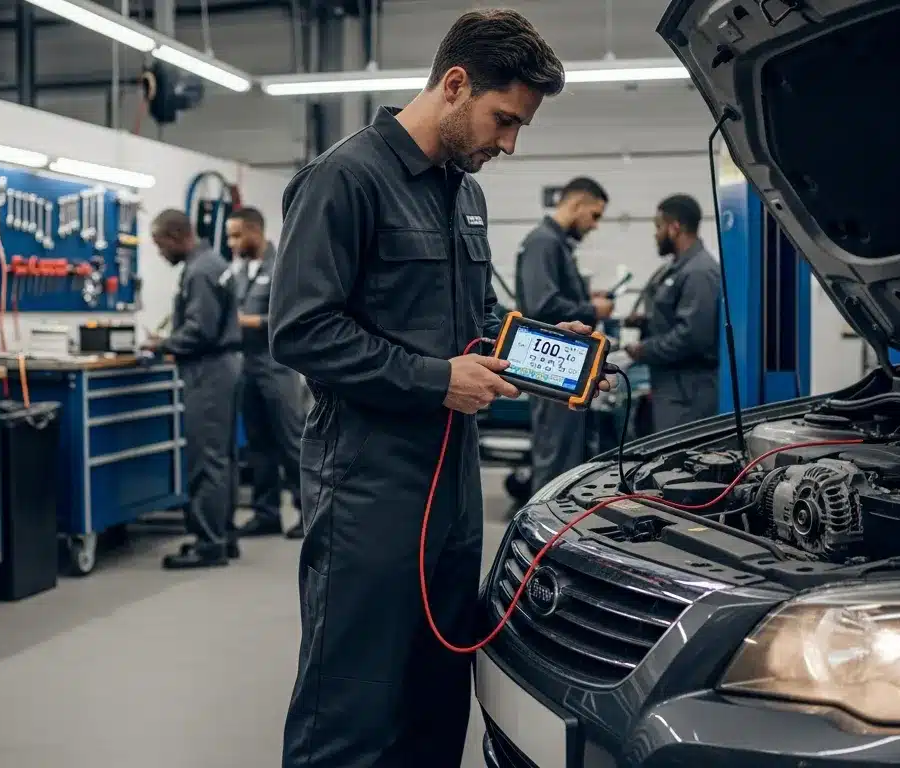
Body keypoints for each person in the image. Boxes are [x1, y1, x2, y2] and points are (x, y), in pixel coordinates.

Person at [268, 10, 606, 767]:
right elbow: (300, 330)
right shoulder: (344, 179)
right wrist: (435, 380)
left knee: (436, 707)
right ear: (455, 85)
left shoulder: (465, 193)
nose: (510, 143)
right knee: (351, 718)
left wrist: (544, 351)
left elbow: (478, 326)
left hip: (452, 495)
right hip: (369, 497)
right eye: (504, 119)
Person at [146, 209, 243, 569]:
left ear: (175, 236)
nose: (160, 253)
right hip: (225, 366)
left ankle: (209, 544)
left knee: (207, 459)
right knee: (224, 458)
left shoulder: (200, 270)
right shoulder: (213, 262)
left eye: (159, 245)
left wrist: (161, 345)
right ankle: (224, 536)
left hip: (210, 370)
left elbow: (200, 329)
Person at [514, 176, 614, 492]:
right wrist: (592, 310)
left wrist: (585, 300)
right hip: (551, 371)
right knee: (555, 464)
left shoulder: (557, 244)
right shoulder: (543, 242)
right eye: (594, 215)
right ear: (576, 204)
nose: (595, 225)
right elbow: (541, 304)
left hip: (568, 371)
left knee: (570, 463)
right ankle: (542, 539)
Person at [225, 207, 306, 540]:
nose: (232, 243)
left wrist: (252, 322)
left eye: (237, 235)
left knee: (292, 443)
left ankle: (309, 513)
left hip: (278, 367)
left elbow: (297, 316)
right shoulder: (241, 270)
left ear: (255, 232)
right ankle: (266, 513)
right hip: (248, 366)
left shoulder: (283, 264)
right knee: (258, 445)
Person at [626, 194, 722, 433]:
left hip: (688, 394)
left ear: (675, 227)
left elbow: (693, 336)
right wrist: (644, 322)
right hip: (670, 386)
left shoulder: (699, 272)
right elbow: (672, 315)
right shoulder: (675, 268)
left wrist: (644, 350)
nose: (655, 234)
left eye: (658, 227)